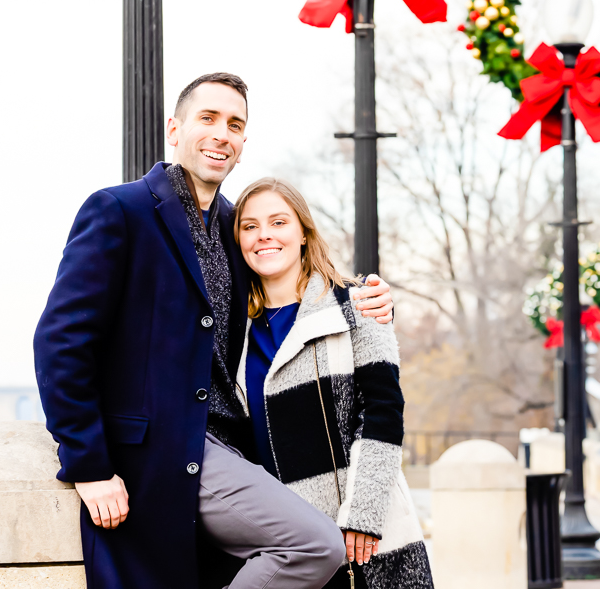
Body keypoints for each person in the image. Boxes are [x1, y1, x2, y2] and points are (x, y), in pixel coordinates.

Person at [34, 73, 395, 589]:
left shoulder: (234, 226)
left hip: (236, 450)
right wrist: (89, 465)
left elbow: (291, 281)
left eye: (235, 125)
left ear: (243, 145)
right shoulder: (119, 211)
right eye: (208, 118)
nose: (221, 134)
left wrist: (361, 297)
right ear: (174, 128)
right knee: (313, 545)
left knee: (311, 549)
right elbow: (60, 342)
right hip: (157, 453)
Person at [231, 177, 433, 589]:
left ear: (303, 233)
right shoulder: (235, 333)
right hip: (285, 546)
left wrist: (364, 515)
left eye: (278, 222)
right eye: (249, 226)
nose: (264, 235)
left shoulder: (356, 304)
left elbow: (383, 413)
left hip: (363, 537)